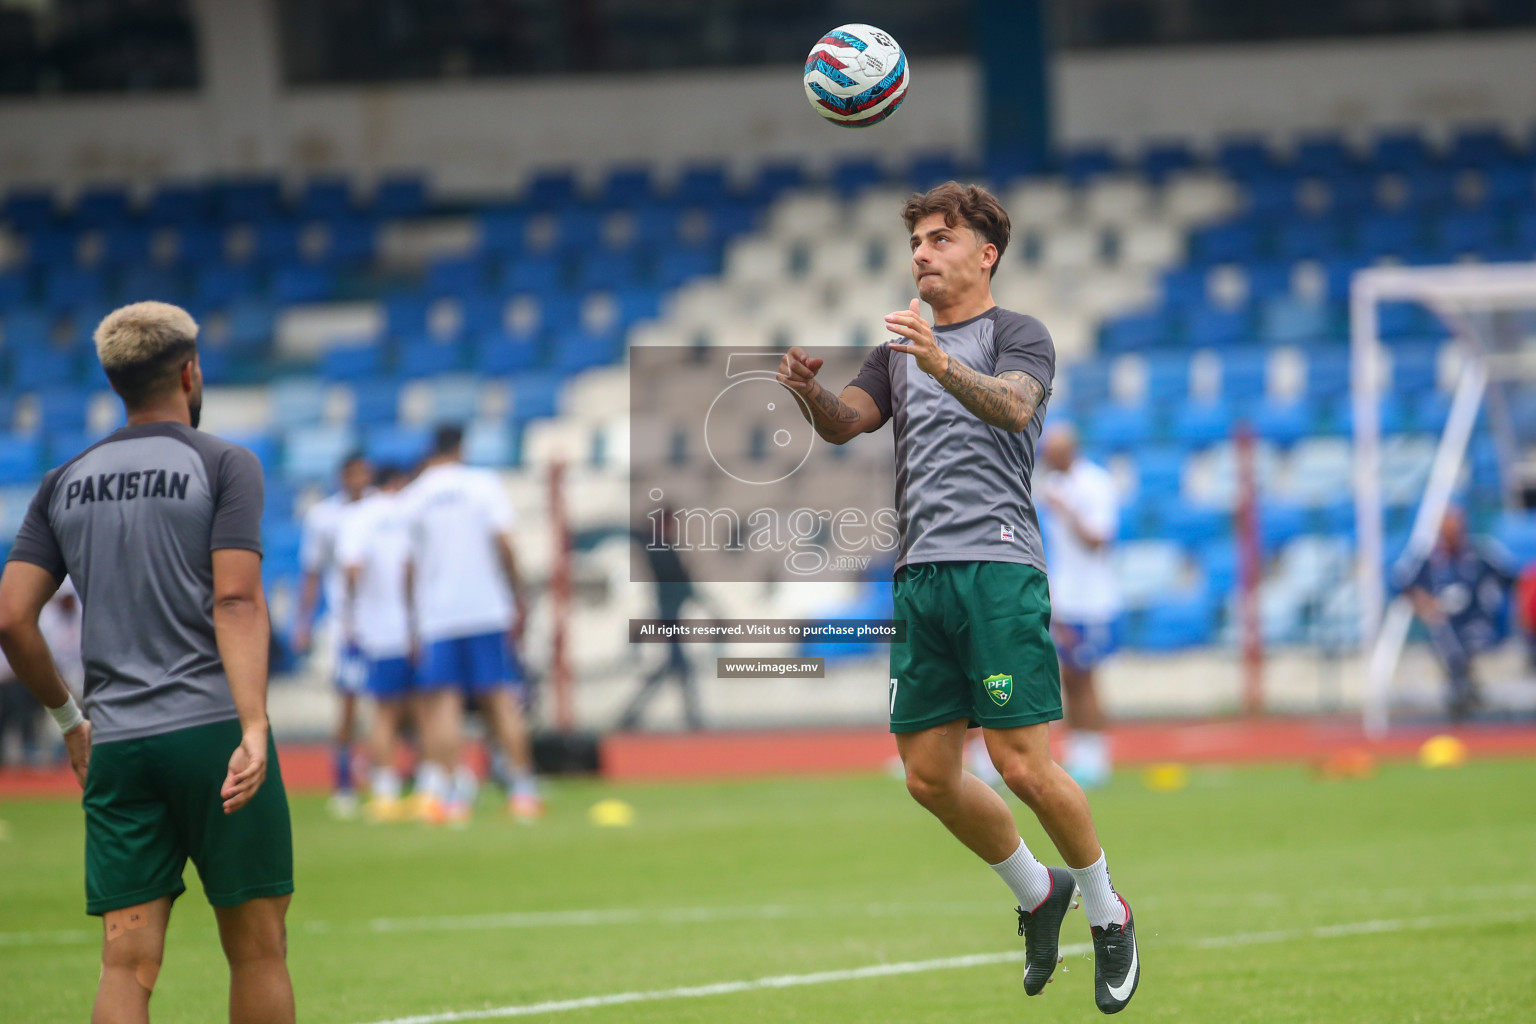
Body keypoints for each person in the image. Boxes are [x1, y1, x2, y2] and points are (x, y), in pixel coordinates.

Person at [775, 182, 1138, 1014]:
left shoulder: (1020, 336)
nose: (922, 255)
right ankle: (1037, 891)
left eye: (940, 240)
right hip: (923, 575)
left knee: (1021, 766)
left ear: (986, 254)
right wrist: (809, 392)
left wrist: (942, 359)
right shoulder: (898, 346)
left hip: (999, 568)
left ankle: (1108, 912)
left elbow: (1014, 409)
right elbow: (848, 421)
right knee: (928, 777)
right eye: (917, 243)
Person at [0, 301, 294, 1024]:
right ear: (191, 371)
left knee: (127, 964)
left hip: (120, 746)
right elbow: (236, 601)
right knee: (257, 950)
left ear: (116, 383)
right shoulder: (224, 463)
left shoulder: (64, 479)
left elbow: (10, 617)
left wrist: (71, 722)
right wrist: (253, 726)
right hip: (213, 732)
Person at [401, 425, 540, 824]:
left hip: (438, 616)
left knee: (444, 704)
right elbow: (505, 543)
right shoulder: (483, 485)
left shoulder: (416, 495)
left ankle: (454, 794)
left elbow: (409, 566)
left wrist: (413, 619)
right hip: (485, 608)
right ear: (462, 447)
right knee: (499, 698)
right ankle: (523, 790)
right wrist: (516, 593)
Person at [1037, 423, 1122, 789]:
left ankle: (1096, 754)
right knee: (1069, 675)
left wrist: (1067, 511)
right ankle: (1079, 749)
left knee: (1086, 676)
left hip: (1094, 599)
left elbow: (1098, 540)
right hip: (1066, 596)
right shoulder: (1054, 483)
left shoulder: (1095, 484)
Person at [336, 464, 418, 823]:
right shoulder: (412, 511)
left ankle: (384, 789)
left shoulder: (359, 517)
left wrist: (354, 613)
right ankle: (436, 786)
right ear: (400, 481)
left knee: (383, 711)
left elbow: (352, 569)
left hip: (378, 628)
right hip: (417, 627)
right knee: (425, 708)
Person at [293, 451, 372, 817]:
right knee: (348, 702)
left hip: (387, 622)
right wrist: (304, 622)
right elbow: (311, 572)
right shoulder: (324, 517)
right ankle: (342, 781)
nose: (358, 479)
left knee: (402, 701)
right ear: (342, 476)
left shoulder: (383, 510)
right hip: (346, 624)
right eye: (351, 473)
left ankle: (398, 774)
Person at [1398, 507, 1517, 719]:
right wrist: (1428, 605)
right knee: (1445, 637)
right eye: (1446, 532)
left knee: (1465, 641)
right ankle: (1463, 690)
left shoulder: (1480, 554)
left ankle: (1464, 689)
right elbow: (1405, 586)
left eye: (1454, 531)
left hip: (1477, 622)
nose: (1451, 537)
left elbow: (1510, 577)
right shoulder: (1428, 559)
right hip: (1445, 625)